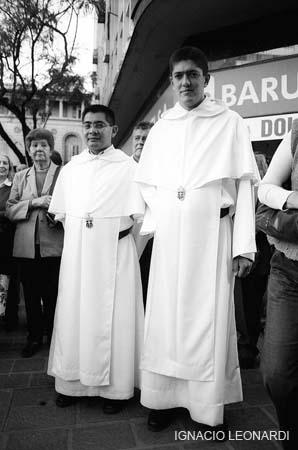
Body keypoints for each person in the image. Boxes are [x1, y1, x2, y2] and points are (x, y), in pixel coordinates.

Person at [135, 46, 259, 431]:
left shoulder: (231, 122)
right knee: (165, 321)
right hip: (171, 241)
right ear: (171, 83)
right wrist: (163, 218)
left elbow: (244, 189)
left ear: (207, 78)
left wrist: (244, 246)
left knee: (207, 321)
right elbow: (148, 185)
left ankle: (206, 409)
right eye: (178, 76)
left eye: (192, 74)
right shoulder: (162, 127)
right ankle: (162, 399)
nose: (185, 82)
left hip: (212, 236)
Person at [47, 104, 144, 414]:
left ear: (112, 130)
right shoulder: (72, 168)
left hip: (116, 255)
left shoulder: (130, 167)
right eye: (87, 124)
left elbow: (140, 220)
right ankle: (71, 384)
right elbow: (61, 215)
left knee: (115, 319)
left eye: (99, 125)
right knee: (74, 314)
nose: (92, 130)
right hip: (78, 256)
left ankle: (114, 391)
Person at [258, 119, 298, 450]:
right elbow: (265, 186)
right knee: (277, 375)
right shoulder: (297, 130)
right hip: (289, 269)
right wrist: (293, 198)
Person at [6, 129, 64, 357]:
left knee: (53, 295)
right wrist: (35, 202)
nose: (39, 150)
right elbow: (10, 209)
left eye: (43, 145)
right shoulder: (21, 177)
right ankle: (34, 337)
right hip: (26, 247)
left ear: (51, 149)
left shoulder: (63, 174)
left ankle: (53, 336)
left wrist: (57, 212)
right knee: (30, 295)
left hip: (55, 244)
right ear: (29, 150)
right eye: (34, 146)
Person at [132, 121, 154, 306]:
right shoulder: (123, 168)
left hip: (155, 239)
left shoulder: (162, 168)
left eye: (145, 138)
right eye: (137, 138)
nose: (140, 142)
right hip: (129, 238)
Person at [0, 155, 15, 319]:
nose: (1, 165)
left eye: (5, 163)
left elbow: (12, 211)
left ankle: (9, 315)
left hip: (6, 240)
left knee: (6, 278)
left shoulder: (12, 187)